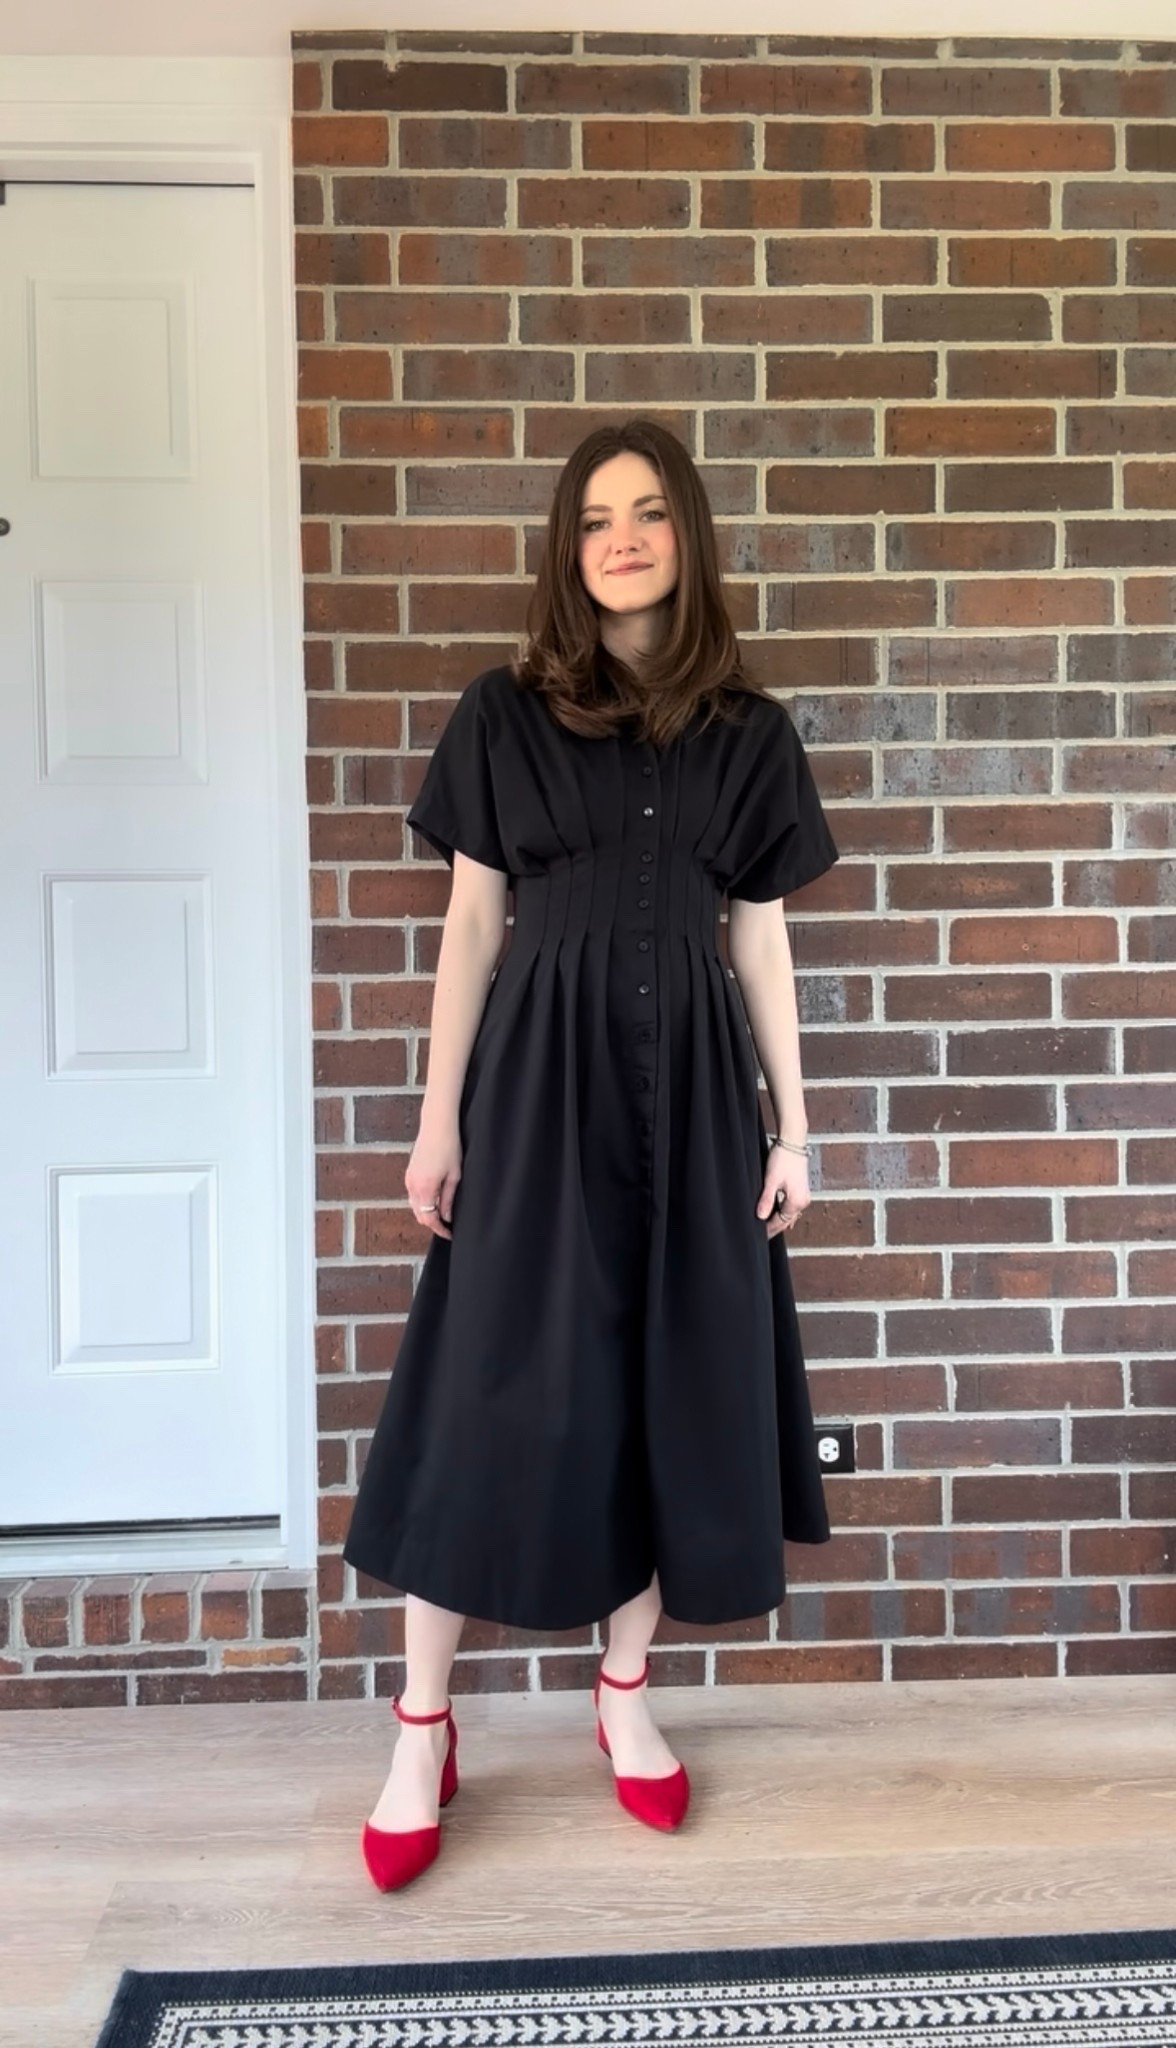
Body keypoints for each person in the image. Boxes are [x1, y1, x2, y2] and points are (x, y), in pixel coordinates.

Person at [342, 417, 841, 1891]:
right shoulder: (503, 714)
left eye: (649, 513)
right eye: (594, 519)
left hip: (693, 1099)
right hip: (536, 1091)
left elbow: (761, 939)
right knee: (484, 1386)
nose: (621, 539)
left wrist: (795, 1126)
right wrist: (438, 1119)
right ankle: (422, 1726)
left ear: (689, 535)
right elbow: (470, 927)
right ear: (568, 549)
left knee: (662, 1388)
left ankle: (624, 1696)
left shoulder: (750, 733)